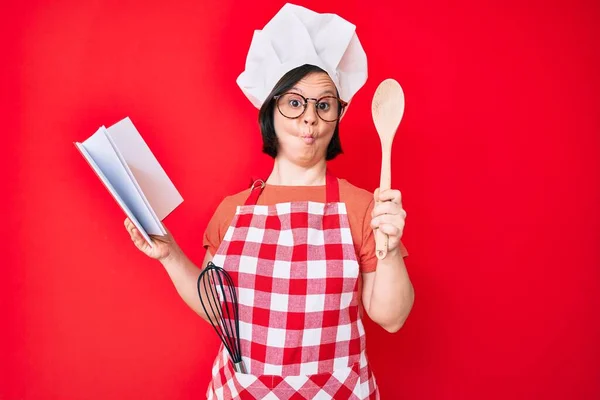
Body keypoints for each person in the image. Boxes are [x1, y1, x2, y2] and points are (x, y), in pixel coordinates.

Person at [124, 3, 414, 399]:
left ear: (337, 116)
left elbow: (392, 318)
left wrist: (391, 249)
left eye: (324, 105)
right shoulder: (233, 210)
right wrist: (170, 254)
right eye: (294, 103)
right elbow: (217, 309)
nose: (309, 119)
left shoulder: (363, 207)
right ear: (269, 110)